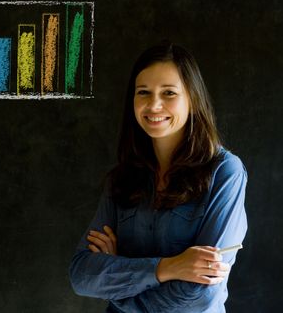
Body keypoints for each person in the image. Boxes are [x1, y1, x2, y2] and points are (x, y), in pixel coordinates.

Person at [69, 40, 247, 312]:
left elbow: (202, 292)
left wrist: (118, 286)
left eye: (169, 93)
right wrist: (168, 267)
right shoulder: (121, 178)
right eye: (143, 92)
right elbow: (82, 275)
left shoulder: (225, 172)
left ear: (193, 99)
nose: (154, 105)